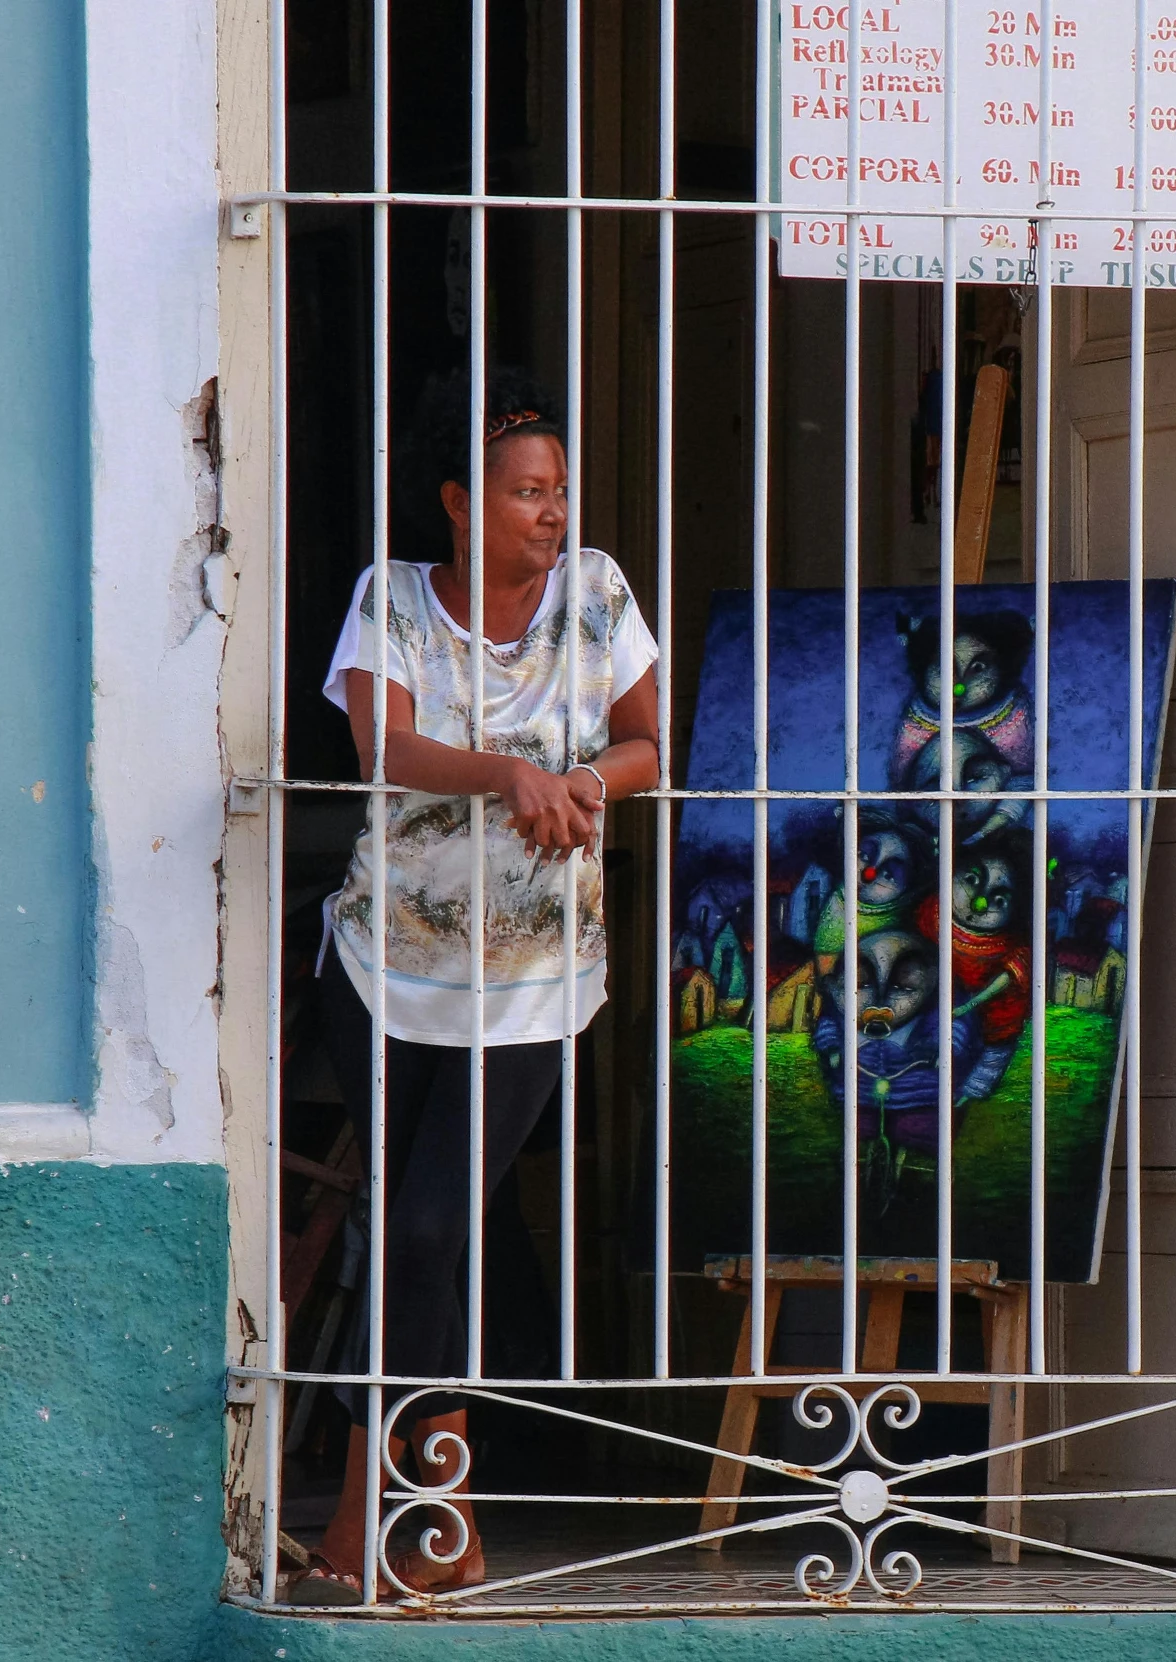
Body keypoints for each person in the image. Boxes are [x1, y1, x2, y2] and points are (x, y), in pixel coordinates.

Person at [292, 368, 660, 1602]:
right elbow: (379, 744)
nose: (548, 512)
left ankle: (404, 1517)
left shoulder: (596, 592)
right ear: (458, 501)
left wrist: (585, 786)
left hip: (536, 973)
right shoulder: (388, 600)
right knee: (411, 1233)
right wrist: (509, 775)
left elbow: (651, 739)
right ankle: (397, 1526)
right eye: (522, 492)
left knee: (431, 1224)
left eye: (557, 491)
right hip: (384, 966)